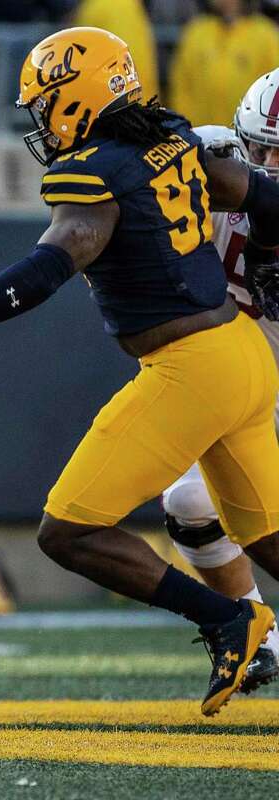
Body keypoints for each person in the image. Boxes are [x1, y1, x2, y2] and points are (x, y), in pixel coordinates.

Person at [0, 27, 279, 716]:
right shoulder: (169, 137)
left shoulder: (94, 171)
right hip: (244, 355)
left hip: (190, 371)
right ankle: (238, 622)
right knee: (265, 533)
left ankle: (230, 621)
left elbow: (45, 270)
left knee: (67, 531)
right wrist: (263, 256)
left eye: (45, 103)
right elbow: (259, 193)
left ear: (76, 98)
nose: (40, 119)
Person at [158, 68, 279, 690]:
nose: (266, 164)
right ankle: (261, 635)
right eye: (260, 149)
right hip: (244, 381)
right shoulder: (213, 160)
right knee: (188, 506)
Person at [168, 0, 279, 126]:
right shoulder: (196, 32)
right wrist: (184, 127)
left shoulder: (266, 34)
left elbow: (274, 89)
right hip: (199, 134)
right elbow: (180, 87)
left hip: (246, 136)